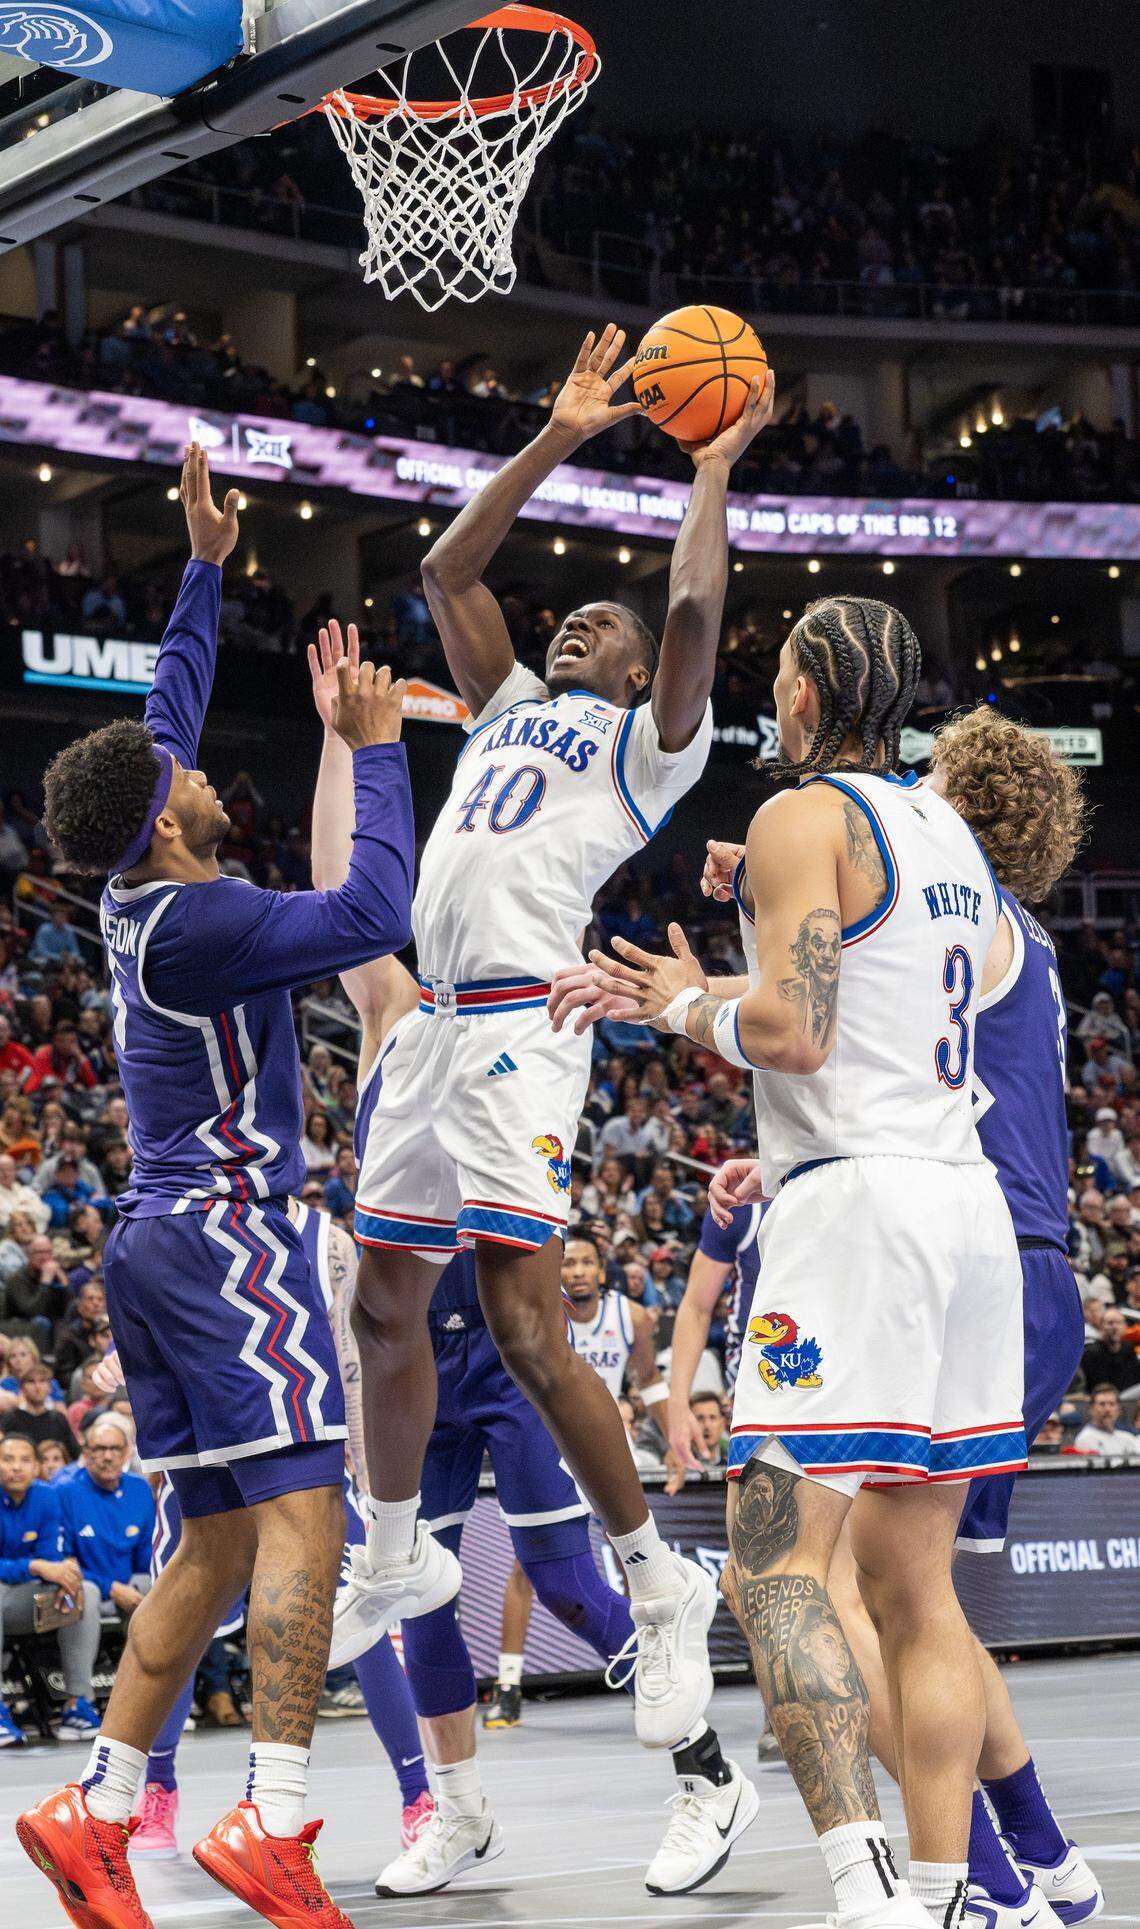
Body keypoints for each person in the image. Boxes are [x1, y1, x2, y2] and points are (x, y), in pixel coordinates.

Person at [551, 597, 1025, 1929]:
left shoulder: (799, 814)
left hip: (854, 1208)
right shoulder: (951, 836)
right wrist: (777, 900)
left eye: (782, 677)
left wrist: (682, 1000)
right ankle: (942, 1890)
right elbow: (971, 975)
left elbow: (799, 1031)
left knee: (768, 1560)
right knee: (918, 1590)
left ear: (811, 693)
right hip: (964, 1204)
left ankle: (863, 1884)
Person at [339, 328, 775, 1766]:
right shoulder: (515, 706)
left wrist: (707, 472)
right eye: (570, 622)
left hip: (525, 1025)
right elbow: (449, 572)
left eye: (603, 627)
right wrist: (559, 435)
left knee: (526, 1327)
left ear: (646, 673)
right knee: (383, 1307)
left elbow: (697, 611)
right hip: (428, 1034)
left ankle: (659, 1581)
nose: (576, 629)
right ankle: (395, 1552)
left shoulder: (649, 749)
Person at [16, 443, 415, 1929]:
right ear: (173, 829)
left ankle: (100, 1805)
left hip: (155, 1241)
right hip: (233, 1236)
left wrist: (201, 566)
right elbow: (375, 909)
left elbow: (155, 726)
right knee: (309, 1517)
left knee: (222, 1538)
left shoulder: (139, 878)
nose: (197, 766)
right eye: (188, 782)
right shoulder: (202, 921)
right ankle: (278, 1818)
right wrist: (372, 749)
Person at [303, 624, 757, 1900]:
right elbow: (351, 884)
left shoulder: (442, 1000)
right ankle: (455, 1810)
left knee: (563, 1575)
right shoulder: (404, 1016)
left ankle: (707, 1768)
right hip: (407, 1360)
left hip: (497, 1352)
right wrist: (345, 743)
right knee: (421, 1603)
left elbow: (366, 895)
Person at [0, 1433, 103, 1746]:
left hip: (22, 1598)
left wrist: (61, 1578)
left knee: (85, 1591)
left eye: (24, 1460)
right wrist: (35, 1568)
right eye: (7, 1459)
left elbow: (51, 1557)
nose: (16, 1467)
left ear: (36, 1468)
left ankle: (77, 1704)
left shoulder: (46, 1497)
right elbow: (41, 1564)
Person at [59, 1417, 156, 1624]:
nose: (108, 1456)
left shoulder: (140, 1489)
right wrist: (110, 1587)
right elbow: (61, 1563)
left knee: (155, 1583)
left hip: (129, 1586)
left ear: (127, 1452)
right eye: (100, 1449)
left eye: (115, 1449)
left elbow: (145, 1557)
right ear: (86, 1454)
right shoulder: (63, 1492)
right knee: (87, 1591)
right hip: (86, 1587)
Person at [1080, 1304, 1140, 1396]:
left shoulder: (1128, 1348)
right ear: (1101, 1326)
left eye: (1119, 1323)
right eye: (1110, 1323)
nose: (1115, 1327)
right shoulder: (1090, 1352)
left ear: (1125, 1326)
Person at [1073, 1383, 1140, 1460]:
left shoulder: (1126, 1437)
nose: (1107, 1409)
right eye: (1102, 1404)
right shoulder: (1085, 1439)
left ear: (1119, 1409)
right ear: (1091, 1409)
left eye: (1112, 1404)